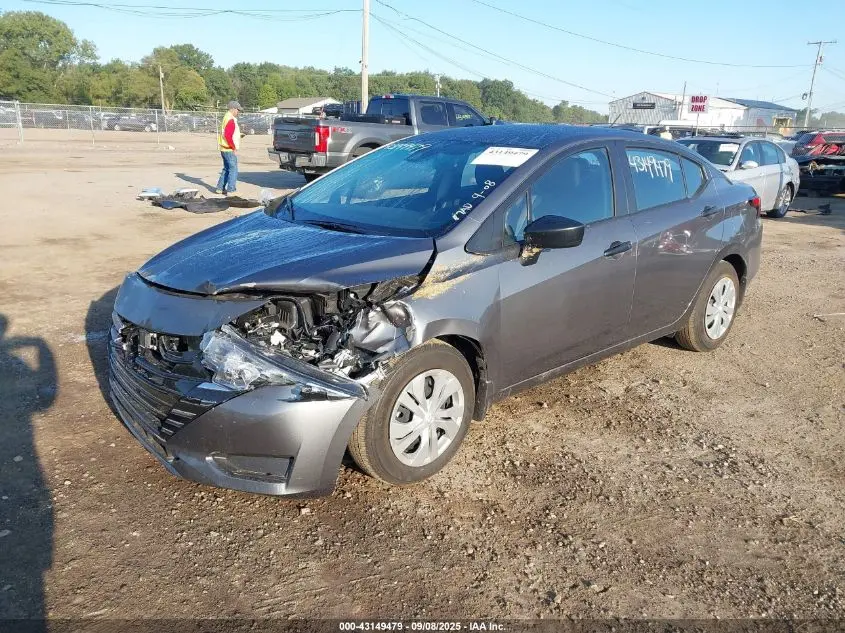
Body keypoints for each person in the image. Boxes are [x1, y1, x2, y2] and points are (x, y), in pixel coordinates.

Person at [216, 100, 242, 195]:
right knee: (233, 169)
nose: (238, 112)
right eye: (238, 110)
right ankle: (231, 190)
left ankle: (220, 188)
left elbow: (227, 133)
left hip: (223, 148)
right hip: (228, 148)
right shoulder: (230, 119)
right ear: (233, 109)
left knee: (226, 168)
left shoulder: (226, 117)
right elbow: (227, 135)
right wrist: (233, 147)